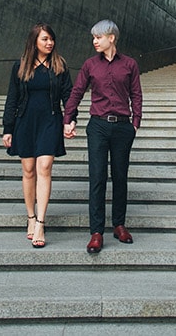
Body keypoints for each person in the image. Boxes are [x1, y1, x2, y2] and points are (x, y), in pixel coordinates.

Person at [63, 19, 142, 253]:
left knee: (120, 177)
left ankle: (119, 225)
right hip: (97, 126)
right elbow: (77, 91)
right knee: (97, 177)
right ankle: (96, 232)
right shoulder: (90, 65)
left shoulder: (129, 65)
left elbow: (136, 94)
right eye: (93, 37)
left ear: (111, 38)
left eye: (99, 37)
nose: (95, 41)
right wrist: (68, 118)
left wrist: (135, 122)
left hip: (122, 127)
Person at [2, 23, 72, 248]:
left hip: (50, 121)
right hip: (25, 122)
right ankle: (30, 217)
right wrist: (7, 128)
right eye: (44, 39)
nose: (49, 43)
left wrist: (70, 120)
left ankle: (41, 222)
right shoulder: (20, 66)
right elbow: (12, 98)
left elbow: (68, 96)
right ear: (34, 42)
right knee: (28, 170)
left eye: (51, 39)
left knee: (44, 168)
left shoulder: (59, 65)